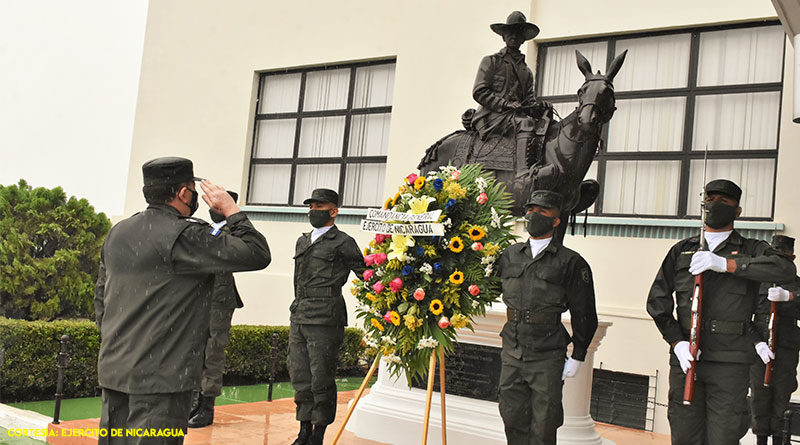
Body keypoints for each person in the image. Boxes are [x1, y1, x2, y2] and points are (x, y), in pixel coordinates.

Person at [94, 157, 271, 444]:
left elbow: (101, 297)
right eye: (192, 188)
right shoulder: (185, 235)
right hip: (161, 380)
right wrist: (230, 210)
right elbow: (257, 252)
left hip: (116, 370)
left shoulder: (119, 232)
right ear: (182, 193)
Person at [646, 179, 796, 445]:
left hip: (730, 362)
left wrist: (727, 264)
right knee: (684, 435)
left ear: (737, 212)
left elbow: (784, 269)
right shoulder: (682, 250)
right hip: (687, 360)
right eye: (710, 199)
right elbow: (657, 301)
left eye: (724, 201)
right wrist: (677, 343)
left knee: (723, 437)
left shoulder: (752, 249)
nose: (715, 205)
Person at [496, 190, 598, 445]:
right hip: (512, 349)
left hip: (546, 353)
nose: (534, 215)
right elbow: (486, 287)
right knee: (512, 417)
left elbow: (584, 311)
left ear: (556, 220)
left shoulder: (571, 262)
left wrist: (579, 353)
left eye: (542, 212)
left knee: (544, 424)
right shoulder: (509, 255)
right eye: (531, 210)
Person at [289, 188, 366, 445]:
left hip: (325, 316)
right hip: (300, 314)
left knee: (321, 377)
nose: (314, 211)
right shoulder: (303, 240)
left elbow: (366, 274)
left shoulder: (343, 242)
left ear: (334, 211)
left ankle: (318, 433)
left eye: (319, 207)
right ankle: (303, 429)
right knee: (300, 376)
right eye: (311, 206)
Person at [187, 190, 245, 428]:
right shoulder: (199, 228)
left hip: (220, 299)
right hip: (196, 299)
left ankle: (207, 406)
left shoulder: (233, 233)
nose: (213, 207)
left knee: (212, 352)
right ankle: (191, 401)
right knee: (192, 350)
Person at [471, 10, 550, 174]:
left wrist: (539, 107)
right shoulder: (491, 61)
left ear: (523, 39)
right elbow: (479, 91)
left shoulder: (526, 71)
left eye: (518, 32)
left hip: (514, 116)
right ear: (503, 36)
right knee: (526, 123)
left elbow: (528, 102)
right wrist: (505, 104)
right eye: (510, 32)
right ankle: (523, 173)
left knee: (545, 124)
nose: (513, 36)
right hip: (492, 116)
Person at [750, 235, 800, 445]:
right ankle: (761, 440)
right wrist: (757, 343)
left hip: (786, 350)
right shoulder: (757, 282)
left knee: (781, 399)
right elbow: (744, 317)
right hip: (761, 347)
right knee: (759, 398)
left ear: (792, 257)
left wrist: (790, 296)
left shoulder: (796, 284)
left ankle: (780, 440)